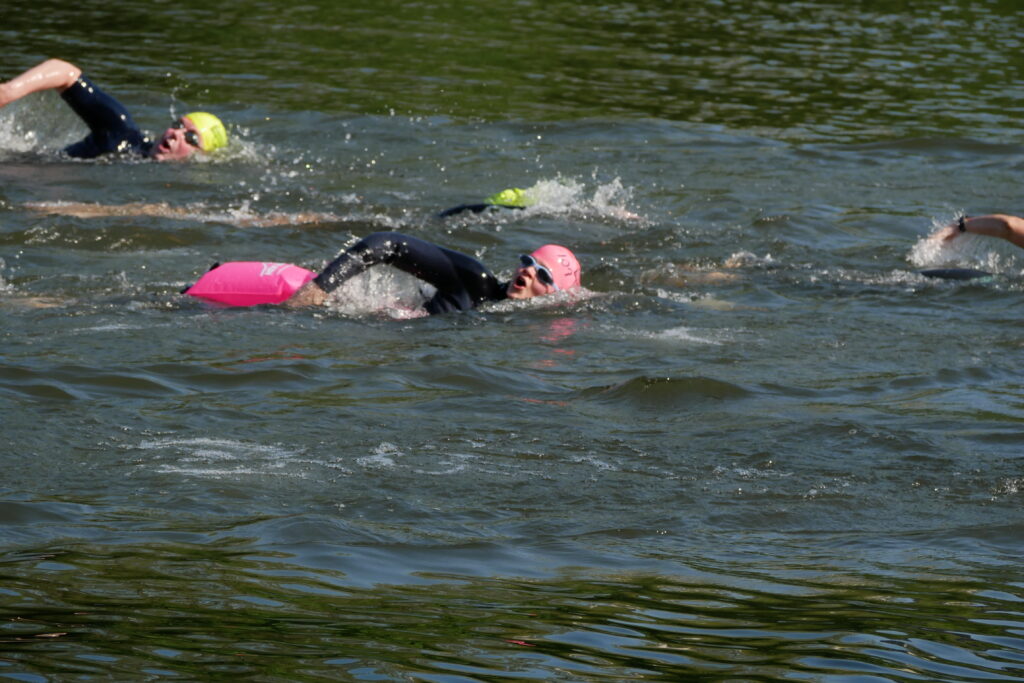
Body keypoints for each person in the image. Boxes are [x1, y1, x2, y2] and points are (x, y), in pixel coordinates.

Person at [284, 231, 582, 313]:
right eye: (528, 261)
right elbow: (388, 243)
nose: (529, 272)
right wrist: (319, 290)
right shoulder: (475, 282)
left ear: (556, 296)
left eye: (543, 275)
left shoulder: (535, 326)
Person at [0, 58, 227, 160]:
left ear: (202, 157)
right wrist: (9, 92)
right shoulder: (122, 134)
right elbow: (65, 72)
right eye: (178, 125)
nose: (176, 133)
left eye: (191, 137)